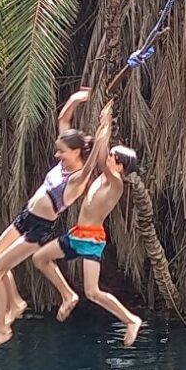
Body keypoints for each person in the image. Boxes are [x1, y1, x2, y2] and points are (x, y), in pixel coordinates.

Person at [0, 88, 94, 354]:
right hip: (25, 218)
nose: (57, 155)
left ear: (76, 152)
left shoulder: (77, 179)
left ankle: (1, 330)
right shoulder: (65, 163)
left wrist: (104, 130)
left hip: (38, 230)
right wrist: (75, 100)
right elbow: (64, 121)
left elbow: (91, 160)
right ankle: (16, 303)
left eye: (62, 151)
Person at [29, 100, 144, 346]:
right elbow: (99, 156)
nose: (108, 156)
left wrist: (106, 127)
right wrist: (104, 126)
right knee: (39, 258)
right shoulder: (103, 176)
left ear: (120, 165)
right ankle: (68, 295)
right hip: (77, 234)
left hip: (91, 239)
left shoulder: (116, 183)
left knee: (92, 292)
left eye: (113, 156)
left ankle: (130, 320)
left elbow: (101, 158)